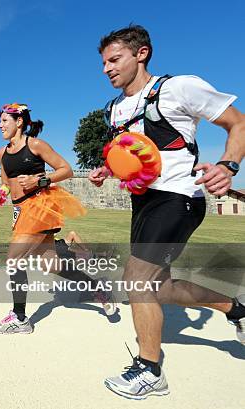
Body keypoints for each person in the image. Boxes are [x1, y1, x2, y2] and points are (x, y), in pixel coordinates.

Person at [89, 25, 245, 400]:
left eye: (114, 59)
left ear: (141, 54)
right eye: (103, 63)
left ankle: (150, 370)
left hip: (180, 198)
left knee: (136, 277)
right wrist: (108, 169)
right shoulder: (114, 110)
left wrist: (228, 164)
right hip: (143, 203)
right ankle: (237, 310)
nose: (106, 69)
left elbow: (237, 122)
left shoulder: (177, 88)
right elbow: (135, 155)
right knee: (161, 287)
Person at [0, 103, 114, 335]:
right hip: (20, 210)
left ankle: (19, 318)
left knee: (13, 259)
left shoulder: (35, 145)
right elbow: (7, 184)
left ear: (19, 122)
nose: (0, 125)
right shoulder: (2, 153)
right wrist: (1, 194)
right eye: (0, 121)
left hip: (40, 206)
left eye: (4, 121)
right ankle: (98, 288)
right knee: (52, 265)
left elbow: (66, 169)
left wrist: (39, 181)